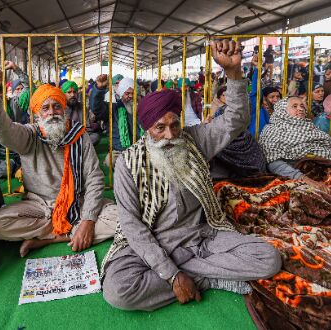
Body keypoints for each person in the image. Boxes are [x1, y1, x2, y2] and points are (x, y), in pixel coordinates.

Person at [101, 39, 281, 311]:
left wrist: (233, 73)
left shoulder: (194, 140)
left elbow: (235, 119)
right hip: (153, 241)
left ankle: (197, 276)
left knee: (268, 259)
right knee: (118, 291)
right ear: (147, 128)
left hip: (201, 237)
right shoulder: (129, 163)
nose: (170, 135)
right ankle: (208, 276)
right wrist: (170, 273)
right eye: (160, 128)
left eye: (174, 125)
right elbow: (132, 226)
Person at [0, 69, 117, 257]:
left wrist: (89, 220)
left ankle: (51, 238)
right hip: (39, 207)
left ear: (64, 109)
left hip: (79, 203)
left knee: (123, 218)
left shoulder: (78, 135)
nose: (52, 112)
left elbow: (94, 179)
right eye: (45, 108)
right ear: (37, 113)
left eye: (57, 106)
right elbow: (4, 131)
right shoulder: (29, 135)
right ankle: (69, 231)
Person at [260, 96, 331, 194]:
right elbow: (274, 163)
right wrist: (305, 179)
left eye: (302, 106)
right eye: (295, 106)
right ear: (282, 111)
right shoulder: (272, 130)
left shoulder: (310, 127)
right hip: (301, 175)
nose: (301, 109)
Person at [91, 76, 142, 168]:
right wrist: (99, 88)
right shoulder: (113, 109)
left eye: (133, 93)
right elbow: (96, 108)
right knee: (111, 160)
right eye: (127, 93)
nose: (130, 96)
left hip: (140, 149)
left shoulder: (142, 109)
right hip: (120, 151)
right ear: (121, 94)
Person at [62, 80, 100, 146]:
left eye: (74, 92)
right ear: (63, 94)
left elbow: (88, 129)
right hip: (65, 138)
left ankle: (77, 148)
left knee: (95, 137)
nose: (73, 95)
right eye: (69, 92)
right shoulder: (60, 108)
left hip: (80, 138)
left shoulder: (82, 108)